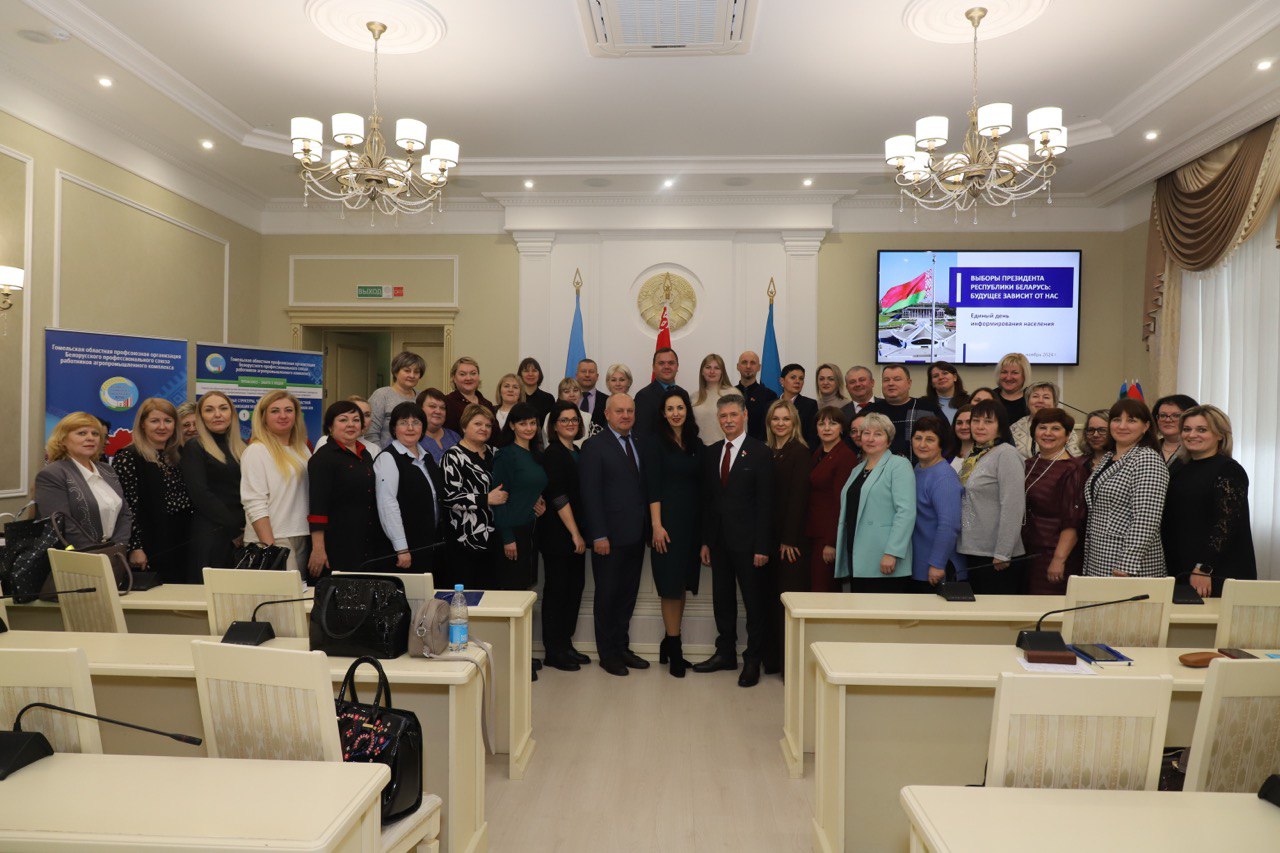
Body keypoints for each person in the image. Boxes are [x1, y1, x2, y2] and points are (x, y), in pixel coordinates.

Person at [694, 394, 774, 687]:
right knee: (722, 600)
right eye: (723, 416)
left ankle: (752, 659)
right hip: (719, 543)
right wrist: (706, 541)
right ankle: (725, 653)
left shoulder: (760, 452)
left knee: (754, 603)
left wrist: (763, 546)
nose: (728, 420)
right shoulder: (712, 452)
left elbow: (766, 504)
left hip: (750, 545)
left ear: (745, 416)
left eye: (733, 415)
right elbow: (709, 501)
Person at [578, 394, 650, 677]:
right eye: (619, 411)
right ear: (607, 414)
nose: (626, 415)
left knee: (627, 596)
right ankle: (607, 654)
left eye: (630, 411)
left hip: (636, 535)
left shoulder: (640, 442)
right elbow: (590, 494)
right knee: (607, 597)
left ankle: (622, 647)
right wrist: (598, 535)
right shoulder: (594, 446)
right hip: (608, 537)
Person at [1162, 404, 1257, 596]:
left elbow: (1226, 526)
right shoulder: (1178, 468)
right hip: (1180, 564)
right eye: (1187, 429)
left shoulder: (1228, 470)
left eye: (1202, 430)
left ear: (1220, 435)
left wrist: (1204, 567)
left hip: (1214, 570)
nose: (1192, 435)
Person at [645, 387, 704, 677]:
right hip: (666, 526)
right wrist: (656, 526)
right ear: (663, 413)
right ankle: (675, 650)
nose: (676, 413)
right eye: (670, 409)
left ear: (687, 411)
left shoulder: (696, 443)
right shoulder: (655, 443)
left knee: (681, 585)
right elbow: (652, 487)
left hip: (691, 525)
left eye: (680, 408)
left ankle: (669, 643)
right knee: (669, 587)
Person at [1082, 398, 1169, 578]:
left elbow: (1146, 518)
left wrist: (1127, 564)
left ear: (1146, 426)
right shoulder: (1109, 457)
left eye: (1131, 420)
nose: (1122, 426)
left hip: (1129, 565)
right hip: (1100, 555)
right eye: (1116, 420)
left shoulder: (1147, 459)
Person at [307, 400, 391, 581]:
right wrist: (318, 549)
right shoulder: (323, 458)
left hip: (366, 542)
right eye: (343, 420)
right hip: (337, 544)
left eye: (356, 420)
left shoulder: (365, 454)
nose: (351, 425)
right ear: (330, 426)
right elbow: (317, 506)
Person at [832, 412, 916, 593]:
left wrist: (892, 552)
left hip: (884, 558)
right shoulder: (857, 469)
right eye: (866, 433)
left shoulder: (899, 465)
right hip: (857, 556)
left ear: (888, 440)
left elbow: (906, 512)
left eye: (878, 434)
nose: (870, 439)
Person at [112, 398, 193, 582]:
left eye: (168, 421)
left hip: (182, 540)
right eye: (155, 421)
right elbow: (126, 508)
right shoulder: (128, 457)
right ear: (143, 424)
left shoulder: (179, 455)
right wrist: (135, 547)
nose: (162, 427)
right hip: (150, 543)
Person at [538, 401, 590, 670]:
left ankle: (566, 645)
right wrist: (575, 534)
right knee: (557, 591)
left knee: (574, 589)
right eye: (564, 420)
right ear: (554, 426)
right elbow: (558, 497)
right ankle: (554, 651)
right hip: (559, 534)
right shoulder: (553, 454)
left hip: (575, 534)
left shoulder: (576, 451)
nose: (570, 424)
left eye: (574, 419)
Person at [955, 399, 1026, 594]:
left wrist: (1003, 552)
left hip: (996, 555)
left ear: (1000, 426)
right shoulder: (975, 454)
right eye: (976, 420)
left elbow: (1013, 505)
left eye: (988, 421)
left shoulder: (1006, 454)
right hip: (973, 549)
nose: (980, 426)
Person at [35, 412, 132, 551]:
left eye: (95, 434)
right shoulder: (53, 474)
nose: (90, 438)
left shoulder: (107, 470)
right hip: (78, 557)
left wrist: (118, 547)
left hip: (115, 554)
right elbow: (62, 524)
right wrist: (96, 553)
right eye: (82, 433)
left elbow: (124, 514)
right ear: (62, 440)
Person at [240, 391, 311, 575]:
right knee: (281, 593)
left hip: (300, 534)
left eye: (289, 410)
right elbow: (254, 503)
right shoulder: (257, 451)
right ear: (263, 417)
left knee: (298, 592)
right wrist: (270, 549)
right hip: (272, 539)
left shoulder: (302, 449)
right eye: (275, 411)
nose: (283, 415)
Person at [764, 399, 811, 675]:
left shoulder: (800, 452)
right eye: (775, 419)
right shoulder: (767, 451)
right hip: (768, 540)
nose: (780, 423)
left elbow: (798, 498)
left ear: (794, 422)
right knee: (770, 600)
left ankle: (789, 666)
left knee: (788, 602)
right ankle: (772, 661)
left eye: (785, 419)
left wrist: (789, 539)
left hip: (790, 543)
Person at [440, 404, 508, 589]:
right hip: (465, 541)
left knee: (494, 595)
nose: (484, 428)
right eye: (478, 424)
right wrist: (485, 499)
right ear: (464, 426)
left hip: (496, 538)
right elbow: (448, 497)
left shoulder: (495, 453)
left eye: (488, 425)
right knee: (469, 597)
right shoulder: (453, 456)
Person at [374, 402, 446, 575]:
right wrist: (401, 548)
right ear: (394, 428)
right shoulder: (388, 458)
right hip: (405, 549)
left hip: (429, 543)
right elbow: (387, 505)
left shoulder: (427, 457)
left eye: (416, 423)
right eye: (403, 422)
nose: (410, 428)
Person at [1021, 408, 1086, 595]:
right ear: (1034, 432)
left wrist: (1059, 559)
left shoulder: (1073, 470)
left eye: (1056, 428)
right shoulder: (1028, 463)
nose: (1048, 433)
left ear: (1067, 435)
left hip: (1052, 554)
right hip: (1026, 552)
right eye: (1042, 427)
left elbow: (1073, 520)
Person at [180, 391, 246, 572]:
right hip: (212, 534)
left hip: (244, 534)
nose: (217, 414)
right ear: (201, 417)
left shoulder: (243, 446)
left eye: (223, 408)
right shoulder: (195, 446)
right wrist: (235, 528)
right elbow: (200, 494)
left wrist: (246, 527)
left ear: (232, 413)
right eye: (209, 410)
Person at [492, 403, 548, 591]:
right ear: (512, 425)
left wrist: (540, 501)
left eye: (532, 423)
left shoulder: (536, 454)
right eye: (523, 424)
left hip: (531, 529)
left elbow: (531, 487)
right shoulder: (506, 455)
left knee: (525, 588)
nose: (529, 428)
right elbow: (498, 500)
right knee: (512, 591)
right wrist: (507, 538)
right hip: (511, 532)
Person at [805, 407, 858, 593]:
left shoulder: (845, 456)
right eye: (822, 424)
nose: (826, 428)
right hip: (814, 532)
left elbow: (841, 502)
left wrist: (832, 542)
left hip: (827, 537)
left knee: (823, 591)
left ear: (842, 428)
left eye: (833, 423)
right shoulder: (818, 453)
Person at [910, 416, 965, 592]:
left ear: (941, 444)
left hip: (937, 568)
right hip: (919, 564)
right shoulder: (918, 469)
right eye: (918, 438)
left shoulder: (944, 477)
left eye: (930, 439)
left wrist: (937, 563)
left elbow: (949, 525)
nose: (922, 444)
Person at [864, 364, 944, 461]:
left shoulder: (928, 408)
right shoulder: (870, 411)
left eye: (897, 379)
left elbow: (946, 440)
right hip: (879, 468)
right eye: (886, 380)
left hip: (921, 468)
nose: (891, 383)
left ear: (909, 383)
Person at [367, 351, 425, 449]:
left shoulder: (422, 397)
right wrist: (381, 455)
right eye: (407, 370)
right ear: (395, 372)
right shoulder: (382, 395)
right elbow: (370, 433)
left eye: (416, 372)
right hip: (386, 454)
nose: (412, 375)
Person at [1010, 382, 1083, 459]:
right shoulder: (1016, 427)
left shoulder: (1064, 425)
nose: (1040, 401)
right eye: (1035, 396)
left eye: (1046, 397)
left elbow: (1076, 458)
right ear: (1027, 402)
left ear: (1055, 403)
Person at [633, 347, 683, 435]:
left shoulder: (683, 394)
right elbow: (642, 434)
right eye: (661, 363)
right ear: (653, 367)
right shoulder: (643, 397)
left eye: (671, 363)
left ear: (677, 366)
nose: (666, 367)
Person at [313, 395, 380, 455]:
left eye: (367, 415)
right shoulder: (324, 441)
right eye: (356, 414)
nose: (363, 420)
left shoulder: (374, 449)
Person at [735, 350, 778, 440]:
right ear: (738, 367)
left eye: (753, 363)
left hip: (760, 445)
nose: (748, 366)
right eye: (744, 362)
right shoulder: (729, 393)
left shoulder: (770, 396)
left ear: (759, 367)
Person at [443, 357, 493, 433]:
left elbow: (495, 435)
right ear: (454, 378)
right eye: (462, 374)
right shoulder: (446, 403)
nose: (468, 378)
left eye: (473, 373)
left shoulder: (487, 404)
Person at [692, 353, 735, 439]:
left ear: (722, 372)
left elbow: (742, 425)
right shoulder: (694, 397)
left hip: (725, 446)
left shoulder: (732, 394)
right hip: (699, 446)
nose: (712, 371)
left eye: (717, 368)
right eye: (708, 367)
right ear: (702, 372)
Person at [1152, 393, 1199, 470]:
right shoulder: (1149, 448)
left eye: (1176, 415)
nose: (1168, 420)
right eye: (1163, 415)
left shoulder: (1198, 449)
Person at [416, 387, 461, 464]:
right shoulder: (412, 439)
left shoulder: (455, 437)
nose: (438, 411)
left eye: (442, 408)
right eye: (432, 406)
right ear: (420, 409)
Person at [779, 363, 819, 448]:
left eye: (801, 378)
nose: (797, 381)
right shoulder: (770, 405)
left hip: (800, 451)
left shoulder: (810, 405)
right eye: (793, 377)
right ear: (782, 381)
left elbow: (813, 437)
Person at [518, 356, 556, 427]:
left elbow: (552, 425)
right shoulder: (516, 397)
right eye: (526, 371)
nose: (530, 374)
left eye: (534, 370)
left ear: (539, 374)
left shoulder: (548, 398)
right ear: (520, 375)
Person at [995, 353, 1031, 424]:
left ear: (1024, 375)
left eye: (1015, 373)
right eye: (1004, 372)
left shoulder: (1032, 398)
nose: (1008, 377)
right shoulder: (990, 397)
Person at [576, 358, 608, 430]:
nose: (587, 375)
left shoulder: (607, 401)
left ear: (597, 376)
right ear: (576, 375)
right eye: (583, 371)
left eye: (591, 371)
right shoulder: (567, 399)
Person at [491, 373, 526, 438]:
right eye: (506, 386)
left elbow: (537, 441)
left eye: (515, 387)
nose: (510, 390)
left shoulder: (527, 413)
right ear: (500, 391)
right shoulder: (490, 411)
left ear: (520, 393)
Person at [1081, 409, 1111, 475]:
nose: (1095, 435)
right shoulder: (1077, 464)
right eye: (1091, 430)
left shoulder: (1123, 463)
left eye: (1102, 430)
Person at [950, 404, 975, 471]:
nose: (963, 427)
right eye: (959, 423)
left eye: (969, 422)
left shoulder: (985, 456)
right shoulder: (946, 455)